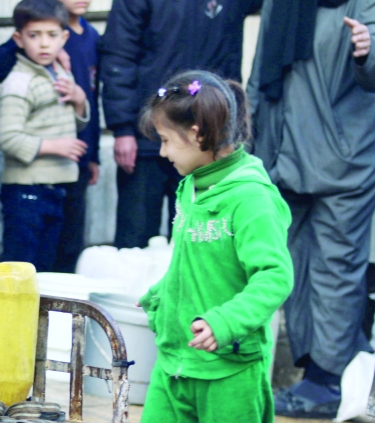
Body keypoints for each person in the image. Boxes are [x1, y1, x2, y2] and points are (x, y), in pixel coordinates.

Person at [106, 71, 293, 423]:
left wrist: (226, 320)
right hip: (176, 366)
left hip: (230, 371)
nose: (161, 152)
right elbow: (193, 263)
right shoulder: (192, 188)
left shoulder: (252, 197)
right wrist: (164, 295)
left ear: (199, 133)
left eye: (167, 141)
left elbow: (274, 276)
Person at [248, 0, 375, 419]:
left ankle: (327, 380)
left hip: (345, 158)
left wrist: (368, 51)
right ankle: (315, 371)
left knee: (337, 267)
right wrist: (246, 140)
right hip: (283, 152)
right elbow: (260, 74)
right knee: (290, 267)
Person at [100, 0, 258, 249]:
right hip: (148, 135)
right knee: (135, 242)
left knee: (197, 240)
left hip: (207, 141)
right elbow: (119, 55)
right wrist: (122, 128)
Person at [0, 0, 101, 273]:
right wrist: (55, 146)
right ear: (19, 39)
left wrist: (81, 100)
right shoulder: (19, 81)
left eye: (51, 36)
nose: (44, 44)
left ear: (64, 38)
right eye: (34, 36)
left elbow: (74, 122)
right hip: (26, 191)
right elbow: (8, 138)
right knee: (20, 270)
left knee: (47, 270)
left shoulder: (61, 70)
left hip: (56, 187)